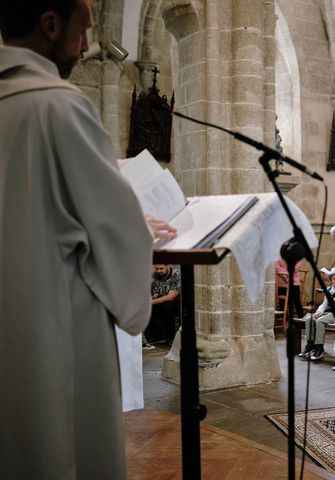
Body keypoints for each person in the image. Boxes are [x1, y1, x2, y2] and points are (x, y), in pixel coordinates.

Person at [0, 1, 155, 477]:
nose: (87, 45)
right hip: (56, 324)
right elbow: (118, 231)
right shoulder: (59, 106)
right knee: (59, 445)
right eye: (83, 31)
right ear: (50, 24)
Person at [298, 267, 335, 361]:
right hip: (327, 312)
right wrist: (319, 311)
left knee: (319, 321)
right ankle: (310, 344)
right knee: (310, 319)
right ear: (331, 280)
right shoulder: (329, 289)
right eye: (333, 278)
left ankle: (319, 348)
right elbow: (325, 303)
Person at [145, 264, 181, 345]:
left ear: (168, 265)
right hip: (160, 301)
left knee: (168, 306)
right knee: (146, 309)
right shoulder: (154, 275)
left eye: (161, 268)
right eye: (156, 269)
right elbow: (152, 293)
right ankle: (155, 337)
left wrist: (151, 302)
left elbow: (171, 297)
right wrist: (152, 297)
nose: (158, 271)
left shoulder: (175, 274)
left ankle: (170, 338)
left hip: (175, 303)